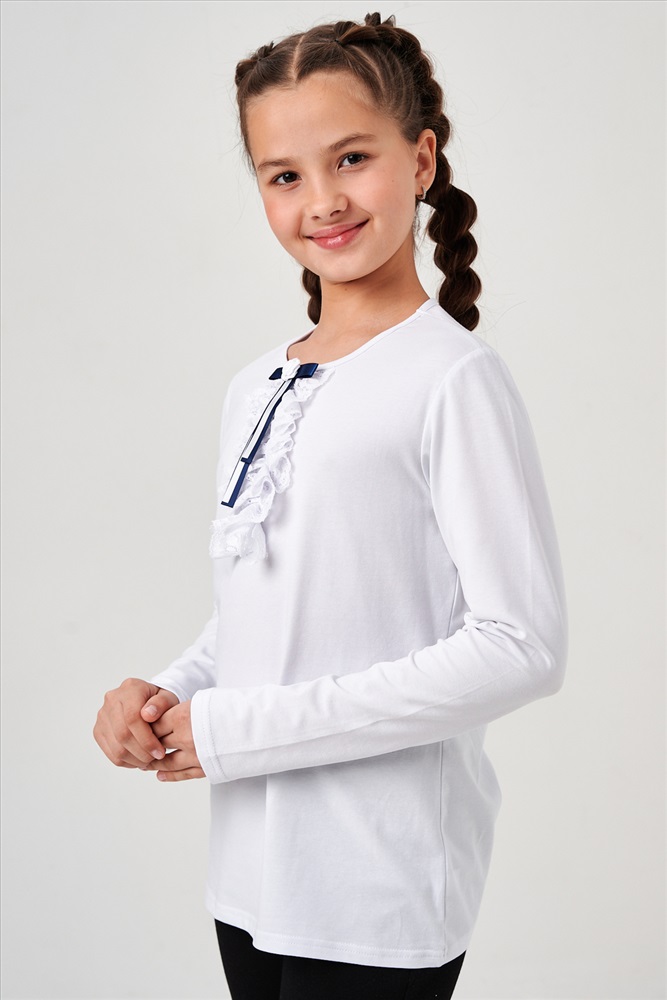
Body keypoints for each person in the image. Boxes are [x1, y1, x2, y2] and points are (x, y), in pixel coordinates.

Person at [93, 12, 567, 1000]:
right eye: (284, 175)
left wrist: (238, 732)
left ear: (420, 159)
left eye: (351, 157)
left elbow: (520, 645)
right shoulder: (255, 384)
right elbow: (270, 610)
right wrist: (168, 696)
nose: (322, 200)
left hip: (375, 890)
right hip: (251, 878)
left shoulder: (452, 380)